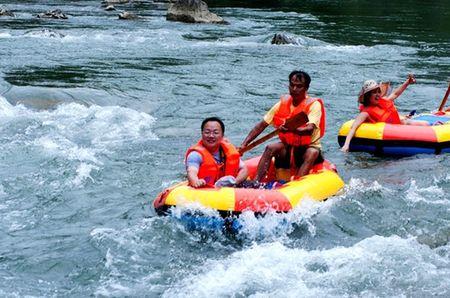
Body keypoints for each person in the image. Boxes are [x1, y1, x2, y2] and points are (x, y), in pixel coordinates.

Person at [240, 70, 326, 182]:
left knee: (312, 152)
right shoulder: (282, 103)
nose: (294, 89)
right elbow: (261, 126)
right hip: (288, 146)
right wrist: (244, 144)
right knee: (270, 147)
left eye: (299, 86)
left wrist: (292, 129)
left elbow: (309, 129)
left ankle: (297, 185)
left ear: (306, 88)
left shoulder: (314, 105)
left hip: (308, 147)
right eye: (292, 85)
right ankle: (256, 182)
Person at [341, 74, 430, 153]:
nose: (378, 94)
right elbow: (354, 127)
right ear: (368, 96)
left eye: (378, 92)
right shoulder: (365, 113)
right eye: (374, 93)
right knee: (424, 124)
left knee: (426, 124)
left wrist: (407, 82)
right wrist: (346, 145)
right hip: (395, 131)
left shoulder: (382, 101)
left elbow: (395, 94)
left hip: (402, 123)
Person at [186, 117, 248, 188]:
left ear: (222, 135)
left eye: (215, 133)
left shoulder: (227, 151)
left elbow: (244, 169)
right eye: (207, 132)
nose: (211, 136)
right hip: (206, 191)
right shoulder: (195, 155)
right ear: (202, 134)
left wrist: (234, 182)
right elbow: (191, 171)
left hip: (227, 189)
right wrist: (196, 181)